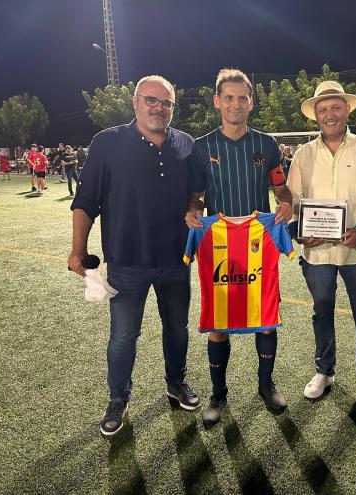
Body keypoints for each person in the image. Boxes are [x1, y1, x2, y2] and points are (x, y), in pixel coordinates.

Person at [68, 75, 201, 437]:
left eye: (167, 102)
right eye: (151, 100)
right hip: (127, 261)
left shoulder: (187, 143)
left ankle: (176, 382)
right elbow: (85, 201)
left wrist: (194, 206)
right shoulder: (107, 142)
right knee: (124, 335)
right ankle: (117, 399)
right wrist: (78, 249)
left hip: (177, 260)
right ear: (135, 102)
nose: (159, 107)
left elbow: (195, 194)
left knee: (177, 328)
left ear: (173, 107)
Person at [186, 68, 293, 428]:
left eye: (242, 98)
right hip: (217, 246)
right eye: (228, 98)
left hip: (255, 243)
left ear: (251, 102)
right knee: (218, 322)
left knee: (264, 318)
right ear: (217, 101)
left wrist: (286, 203)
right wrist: (193, 212)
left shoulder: (265, 144)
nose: (236, 104)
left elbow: (280, 187)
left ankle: (266, 384)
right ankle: (219, 395)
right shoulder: (202, 147)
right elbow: (197, 196)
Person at [287, 80, 356, 416]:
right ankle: (325, 371)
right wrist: (300, 233)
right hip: (316, 253)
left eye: (335, 107)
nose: (329, 114)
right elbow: (293, 200)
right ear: (315, 115)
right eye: (323, 109)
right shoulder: (303, 154)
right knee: (322, 313)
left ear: (347, 110)